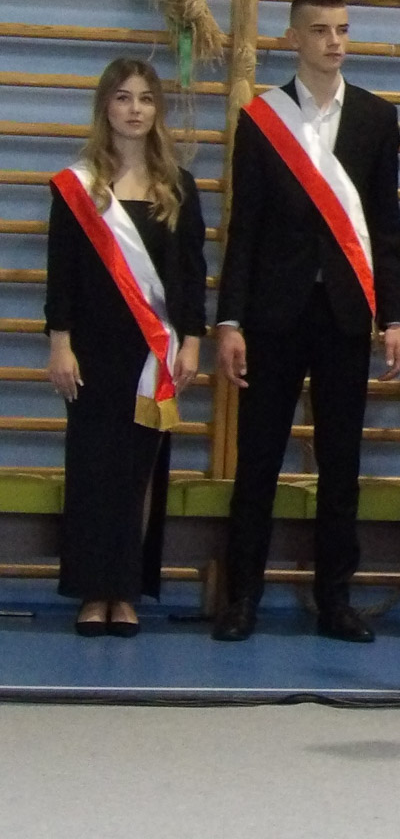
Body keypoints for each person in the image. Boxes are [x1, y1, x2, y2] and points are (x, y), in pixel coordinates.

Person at [212, 0, 400, 643]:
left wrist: (394, 317)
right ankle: (242, 597)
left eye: (343, 29)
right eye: (321, 30)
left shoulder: (377, 119)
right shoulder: (262, 120)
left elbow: (386, 228)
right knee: (259, 460)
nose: (334, 41)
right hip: (273, 314)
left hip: (346, 315)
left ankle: (335, 601)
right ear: (293, 37)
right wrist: (230, 321)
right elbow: (243, 228)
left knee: (341, 464)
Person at [45, 58, 206, 637]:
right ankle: (94, 590)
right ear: (105, 107)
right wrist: (59, 343)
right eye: (123, 98)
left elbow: (190, 273)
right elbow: (61, 273)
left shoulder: (178, 187)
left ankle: (127, 590)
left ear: (157, 109)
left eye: (145, 98)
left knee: (139, 474)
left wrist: (192, 341)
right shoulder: (78, 187)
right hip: (92, 352)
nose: (135, 109)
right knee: (92, 473)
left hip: (152, 355)